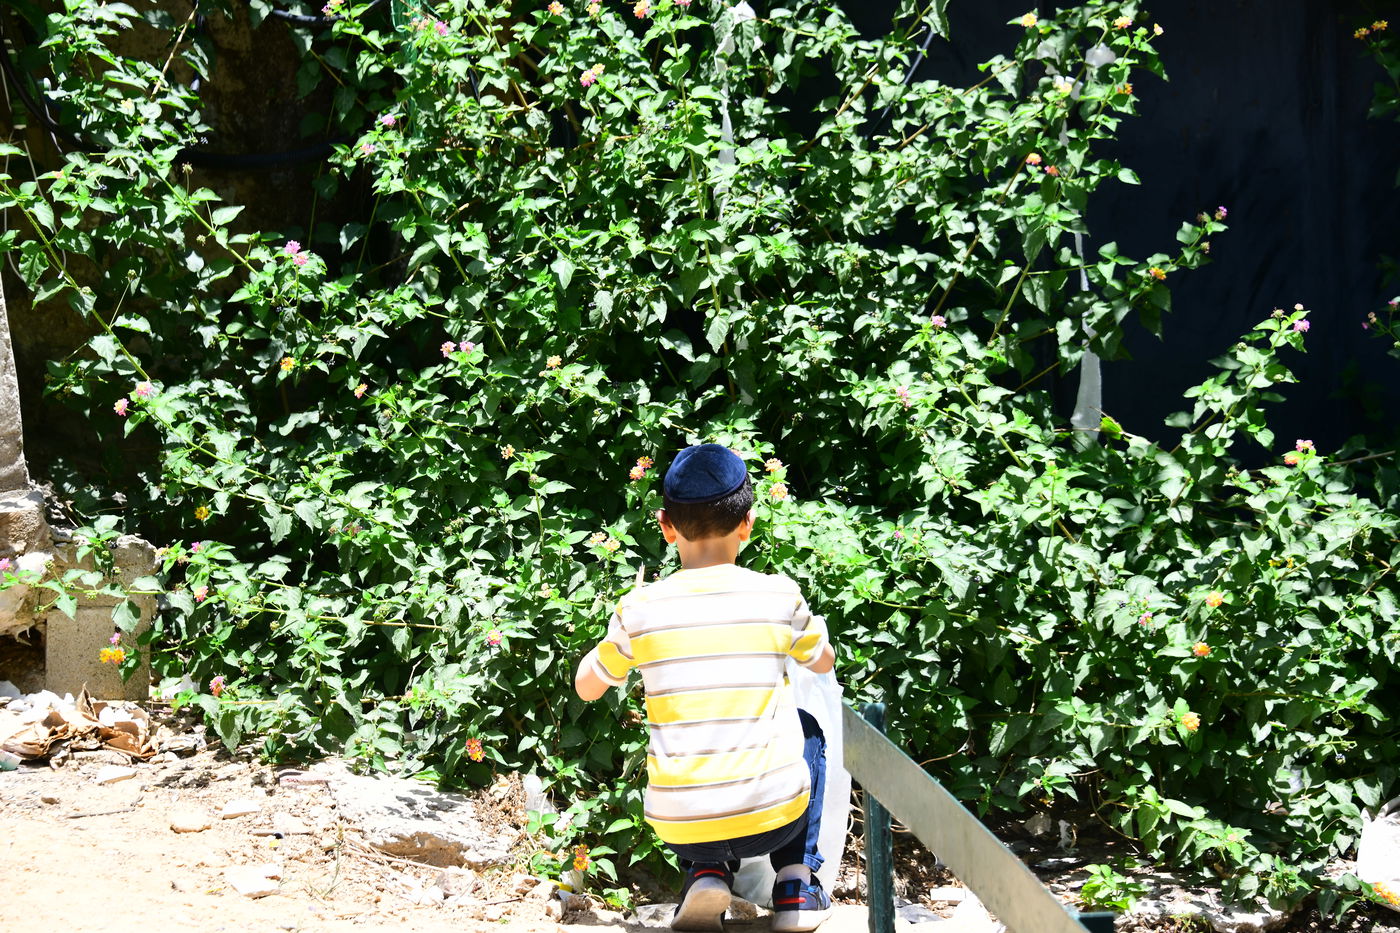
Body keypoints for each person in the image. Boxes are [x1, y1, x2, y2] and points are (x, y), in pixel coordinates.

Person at [574, 444, 836, 933]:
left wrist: (613, 646)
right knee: (808, 731)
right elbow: (823, 661)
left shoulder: (640, 609)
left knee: (687, 750)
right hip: (772, 817)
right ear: (748, 523)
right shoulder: (778, 595)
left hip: (682, 825)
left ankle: (705, 874)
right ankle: (795, 885)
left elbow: (586, 687)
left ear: (666, 525)